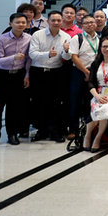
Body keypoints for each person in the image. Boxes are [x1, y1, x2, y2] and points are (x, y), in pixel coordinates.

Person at [0, 13, 32, 147]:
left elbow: (29, 59)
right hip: (2, 75)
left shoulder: (29, 38)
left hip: (19, 75)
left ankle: (12, 134)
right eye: (17, 22)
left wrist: (27, 75)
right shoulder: (1, 39)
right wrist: (14, 57)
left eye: (23, 22)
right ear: (10, 24)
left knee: (14, 107)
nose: (21, 25)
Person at [28, 11, 71, 142]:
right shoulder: (38, 34)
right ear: (48, 21)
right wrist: (47, 54)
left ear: (62, 21)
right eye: (53, 20)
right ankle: (41, 131)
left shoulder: (66, 36)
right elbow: (32, 53)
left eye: (59, 20)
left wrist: (67, 50)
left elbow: (66, 58)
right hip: (38, 72)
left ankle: (55, 131)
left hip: (56, 73)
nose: (56, 23)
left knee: (55, 103)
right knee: (39, 102)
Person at [83, 36, 108, 152]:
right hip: (97, 94)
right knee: (95, 108)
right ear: (100, 48)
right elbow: (90, 82)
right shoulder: (96, 63)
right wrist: (97, 96)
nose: (107, 49)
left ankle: (98, 138)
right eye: (104, 46)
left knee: (104, 110)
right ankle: (87, 135)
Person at [67, 14, 100, 140]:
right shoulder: (77, 38)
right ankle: (73, 130)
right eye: (86, 23)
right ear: (81, 25)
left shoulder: (99, 38)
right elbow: (74, 57)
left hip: (94, 73)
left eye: (92, 22)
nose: (90, 25)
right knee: (75, 101)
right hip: (79, 72)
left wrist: (91, 73)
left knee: (90, 101)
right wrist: (86, 72)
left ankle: (88, 130)